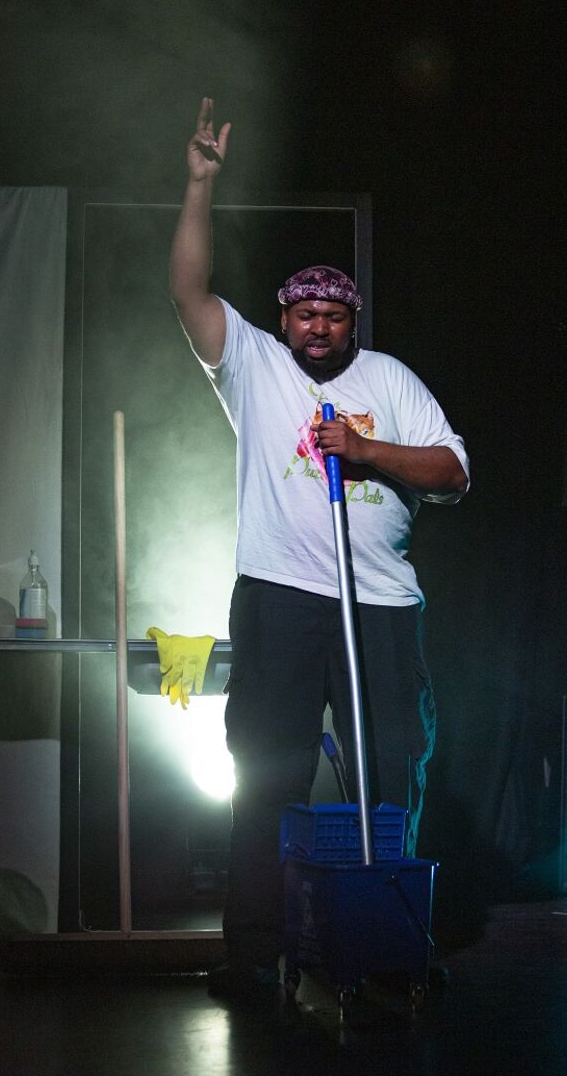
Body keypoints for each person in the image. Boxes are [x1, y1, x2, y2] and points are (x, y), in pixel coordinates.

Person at [169, 97, 470, 999]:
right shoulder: (253, 365)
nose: (316, 327)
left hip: (377, 602)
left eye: (333, 315)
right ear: (285, 318)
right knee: (265, 772)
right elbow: (187, 292)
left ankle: (388, 937)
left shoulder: (391, 380)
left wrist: (368, 450)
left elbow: (452, 473)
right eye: (303, 313)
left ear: (352, 320)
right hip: (282, 596)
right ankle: (252, 953)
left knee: (389, 769)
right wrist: (199, 186)